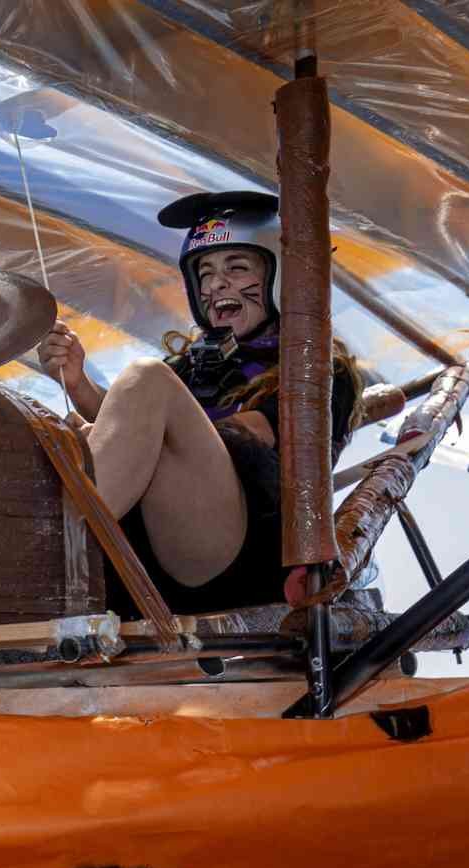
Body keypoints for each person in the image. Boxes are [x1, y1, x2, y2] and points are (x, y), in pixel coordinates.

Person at [41, 191, 361, 614]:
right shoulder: (187, 367)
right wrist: (78, 383)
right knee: (63, 425)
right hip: (155, 557)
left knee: (144, 379)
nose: (216, 284)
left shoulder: (319, 370)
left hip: (243, 558)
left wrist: (131, 422)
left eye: (237, 267)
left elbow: (249, 436)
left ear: (279, 279)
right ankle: (62, 538)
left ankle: (45, 550)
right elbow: (131, 437)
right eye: (205, 273)